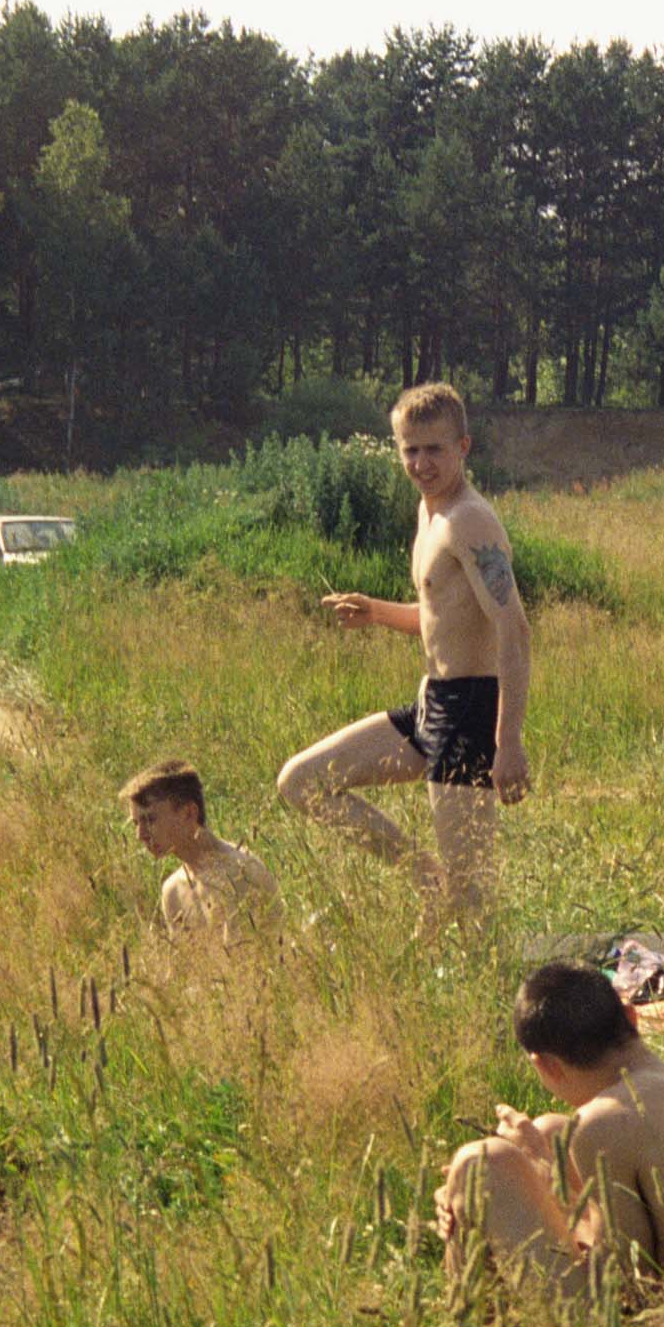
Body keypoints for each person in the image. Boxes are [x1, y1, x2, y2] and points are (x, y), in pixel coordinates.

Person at [276, 383, 530, 919]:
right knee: (301, 782)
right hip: (429, 705)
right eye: (409, 449)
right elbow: (444, 620)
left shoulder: (469, 521)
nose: (421, 463)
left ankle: (481, 980)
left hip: (471, 712)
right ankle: (424, 877)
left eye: (434, 449)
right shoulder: (428, 513)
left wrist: (508, 742)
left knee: (473, 899)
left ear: (463, 446)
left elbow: (513, 629)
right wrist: (377, 613)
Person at [434, 961, 664, 1303]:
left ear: (546, 1065)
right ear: (632, 1018)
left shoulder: (604, 1122)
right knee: (549, 1130)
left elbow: (624, 1287)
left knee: (480, 1167)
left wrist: (539, 1175)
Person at [120, 759, 281, 932]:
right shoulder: (172, 891)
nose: (140, 835)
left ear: (189, 813)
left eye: (150, 820)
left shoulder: (240, 873)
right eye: (136, 823)